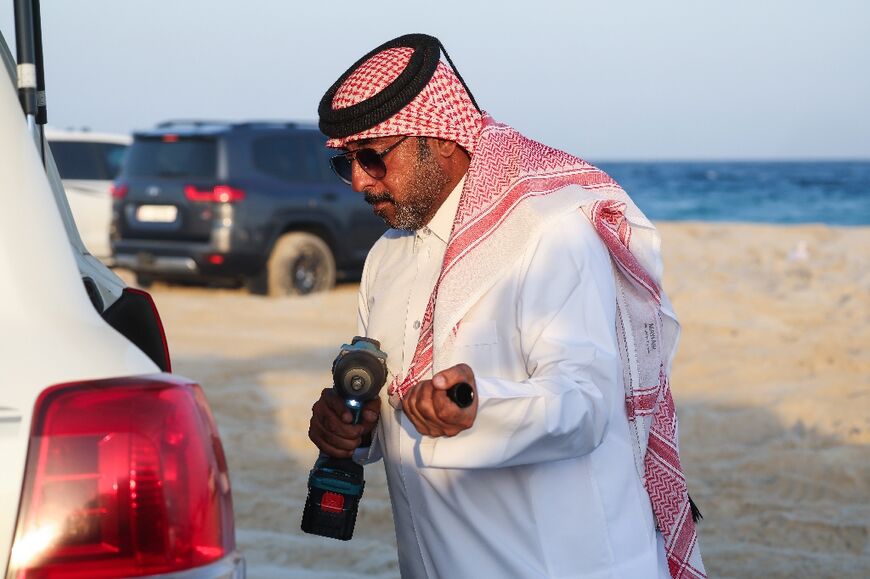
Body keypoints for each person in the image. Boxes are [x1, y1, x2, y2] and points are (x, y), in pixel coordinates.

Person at [308, 33, 705, 579]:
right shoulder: (386, 258)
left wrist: (476, 406)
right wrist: (351, 430)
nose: (358, 181)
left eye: (373, 157)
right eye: (344, 164)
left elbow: (585, 405)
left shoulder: (548, 233)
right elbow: (386, 398)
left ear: (442, 139)